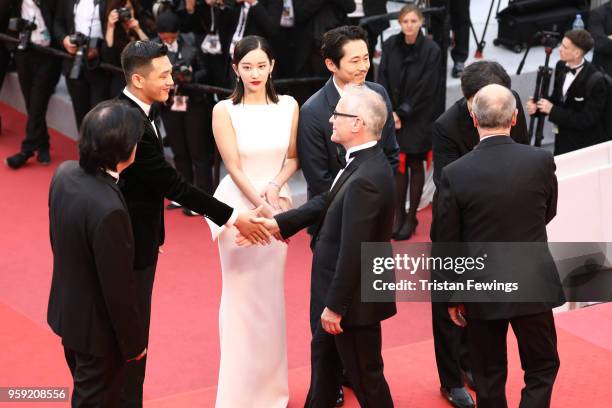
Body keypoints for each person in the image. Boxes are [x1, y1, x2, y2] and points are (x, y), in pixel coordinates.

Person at [115, 40, 270, 407]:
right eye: (164, 74)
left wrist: (157, 230)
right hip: (129, 246)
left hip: (139, 236)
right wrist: (233, 217)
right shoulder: (131, 123)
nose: (172, 80)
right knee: (132, 338)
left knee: (131, 334)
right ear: (139, 80)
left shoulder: (132, 111)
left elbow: (148, 188)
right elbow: (173, 185)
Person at [249, 85, 396, 408]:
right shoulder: (362, 163)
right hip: (340, 291)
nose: (331, 120)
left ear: (357, 123)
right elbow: (326, 202)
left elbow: (354, 249)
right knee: (325, 368)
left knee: (367, 377)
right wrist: (281, 223)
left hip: (351, 300)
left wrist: (336, 306)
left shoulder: (368, 177)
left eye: (338, 115)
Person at [437, 84, 564, 408]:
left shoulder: (456, 172)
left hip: (482, 284)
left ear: (473, 118)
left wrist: (453, 295)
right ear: (515, 117)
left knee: (487, 372)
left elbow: (448, 240)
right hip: (531, 278)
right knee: (542, 365)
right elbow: (548, 211)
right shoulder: (540, 160)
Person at [297, 24, 398, 405]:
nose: (363, 66)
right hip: (332, 235)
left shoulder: (378, 96)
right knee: (325, 346)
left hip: (359, 241)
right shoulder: (313, 111)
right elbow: (321, 182)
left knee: (362, 357)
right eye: (354, 60)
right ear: (330, 64)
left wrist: (371, 211)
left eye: (366, 58)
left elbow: (389, 155)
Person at [430, 60, 528, 408]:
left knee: (485, 305)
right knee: (448, 307)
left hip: (497, 226)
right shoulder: (446, 125)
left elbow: (522, 159)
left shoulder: (510, 106)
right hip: (455, 227)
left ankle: (474, 367)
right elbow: (444, 184)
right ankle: (451, 380)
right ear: (468, 99)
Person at [207, 35, 299, 408]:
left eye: (261, 65)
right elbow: (233, 165)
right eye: (247, 67)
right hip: (237, 212)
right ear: (235, 69)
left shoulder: (290, 105)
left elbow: (293, 158)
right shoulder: (224, 110)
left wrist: (274, 190)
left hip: (277, 207)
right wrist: (259, 204)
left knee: (271, 301)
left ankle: (271, 392)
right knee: (240, 299)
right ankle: (237, 395)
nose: (255, 73)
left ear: (272, 65)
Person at [47, 100, 147, 407]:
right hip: (99, 337)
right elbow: (117, 289)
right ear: (126, 151)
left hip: (69, 316)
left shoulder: (64, 175)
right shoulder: (110, 210)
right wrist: (134, 345)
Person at [377, 4, 441, 241]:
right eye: (405, 21)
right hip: (393, 115)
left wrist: (401, 113)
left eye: (414, 21)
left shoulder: (432, 49)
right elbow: (381, 76)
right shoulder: (390, 44)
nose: (410, 26)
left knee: (414, 164)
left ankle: (411, 216)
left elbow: (427, 86)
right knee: (397, 166)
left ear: (421, 22)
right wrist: (390, 111)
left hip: (419, 116)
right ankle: (398, 215)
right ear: (400, 23)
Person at [154, 11, 216, 215]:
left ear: (178, 33)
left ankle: (203, 199)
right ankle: (184, 195)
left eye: (171, 36)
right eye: (164, 37)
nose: (168, 40)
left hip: (194, 103)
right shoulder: (155, 48)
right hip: (170, 104)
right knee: (179, 151)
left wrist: (190, 77)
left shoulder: (192, 43)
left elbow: (206, 70)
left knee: (198, 151)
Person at [526, 29, 608, 155]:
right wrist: (539, 105)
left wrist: (552, 110)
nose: (559, 49)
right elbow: (557, 99)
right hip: (562, 138)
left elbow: (586, 119)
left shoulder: (596, 81)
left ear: (577, 53)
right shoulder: (561, 66)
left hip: (585, 145)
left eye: (564, 47)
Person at [4, 0, 62, 169]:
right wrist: (12, 46)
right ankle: (43, 146)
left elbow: (58, 22)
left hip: (47, 56)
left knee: (37, 104)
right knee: (31, 104)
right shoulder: (16, 3)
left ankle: (27, 149)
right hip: (24, 54)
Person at [54, 0, 111, 130]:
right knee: (82, 119)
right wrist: (65, 40)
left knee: (100, 120)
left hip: (101, 66)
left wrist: (100, 49)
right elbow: (58, 23)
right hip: (75, 64)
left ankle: (98, 149)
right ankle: (85, 149)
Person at [103, 0, 152, 96]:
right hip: (121, 83)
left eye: (129, 9)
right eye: (122, 10)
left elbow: (151, 52)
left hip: (143, 83)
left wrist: (138, 30)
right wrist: (110, 27)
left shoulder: (142, 25)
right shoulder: (113, 32)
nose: (126, 13)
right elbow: (108, 58)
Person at [590, 0, 612, 76]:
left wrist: (608, 38)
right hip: (605, 71)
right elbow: (600, 43)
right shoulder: (598, 13)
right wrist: (606, 40)